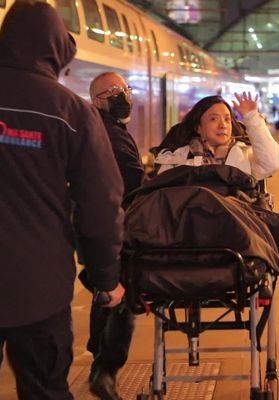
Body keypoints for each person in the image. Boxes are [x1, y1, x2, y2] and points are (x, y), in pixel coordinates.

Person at [0, 2, 125, 399]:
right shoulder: (71, 112)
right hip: (38, 286)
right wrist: (105, 278)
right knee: (44, 389)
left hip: (36, 284)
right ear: (57, 48)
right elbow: (101, 204)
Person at [83, 72, 146, 399]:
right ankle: (103, 367)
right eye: (114, 92)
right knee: (118, 289)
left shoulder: (105, 128)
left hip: (101, 226)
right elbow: (132, 182)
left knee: (108, 288)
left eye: (125, 89)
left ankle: (101, 364)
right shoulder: (109, 133)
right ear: (96, 101)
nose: (123, 95)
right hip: (110, 226)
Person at [154, 93, 279, 179]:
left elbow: (271, 164)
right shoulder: (178, 158)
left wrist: (251, 117)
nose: (223, 125)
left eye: (227, 120)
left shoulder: (245, 156)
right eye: (213, 119)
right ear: (198, 127)